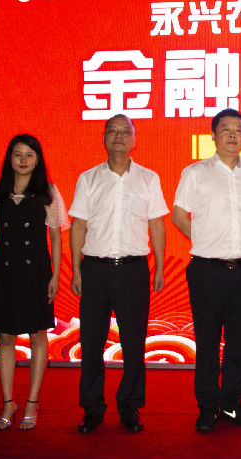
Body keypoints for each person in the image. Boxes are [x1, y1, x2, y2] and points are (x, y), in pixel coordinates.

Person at [70, 115, 168, 434]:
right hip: (95, 269)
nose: (119, 136)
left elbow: (156, 224)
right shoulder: (88, 179)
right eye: (112, 131)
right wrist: (76, 269)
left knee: (134, 344)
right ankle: (92, 409)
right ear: (103, 138)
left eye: (125, 132)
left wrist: (160, 267)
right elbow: (79, 225)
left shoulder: (148, 178)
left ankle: (129, 407)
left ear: (134, 139)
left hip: (133, 271)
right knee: (91, 343)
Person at [173, 108, 241, 433]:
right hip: (207, 271)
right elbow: (179, 214)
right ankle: (208, 406)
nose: (232, 135)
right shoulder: (195, 172)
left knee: (238, 342)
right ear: (213, 135)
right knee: (208, 341)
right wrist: (204, 240)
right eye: (225, 129)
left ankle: (232, 403)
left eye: (238, 129)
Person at [0, 134, 69, 431]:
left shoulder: (48, 193)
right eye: (18, 154)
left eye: (29, 155)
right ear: (9, 159)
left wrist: (55, 275)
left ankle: (31, 402)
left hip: (35, 273)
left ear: (37, 159)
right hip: (2, 272)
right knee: (5, 336)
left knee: (37, 334)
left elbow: (56, 237)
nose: (23, 160)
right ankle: (8, 402)